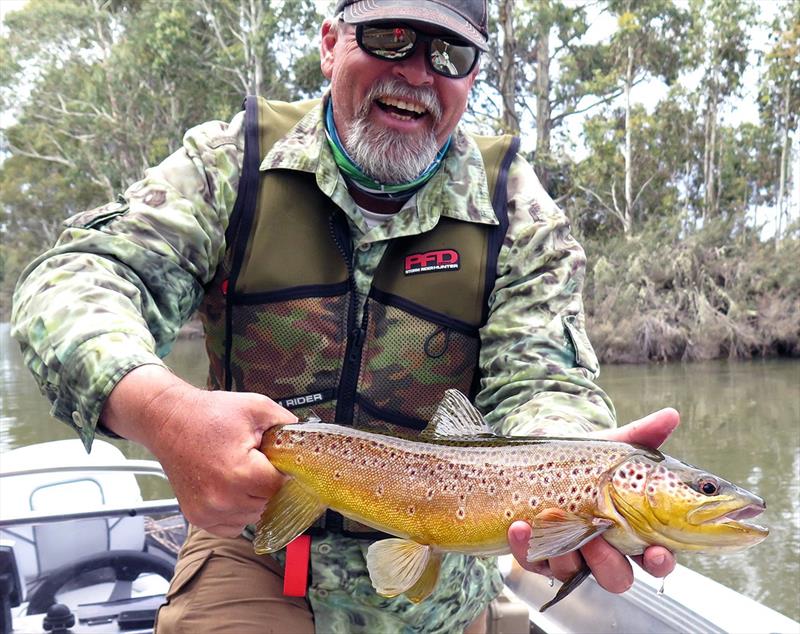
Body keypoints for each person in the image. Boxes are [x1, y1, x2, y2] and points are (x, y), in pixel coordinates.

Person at [11, 0, 677, 632]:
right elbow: (76, 281)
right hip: (256, 554)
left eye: (449, 54)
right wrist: (159, 410)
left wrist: (569, 486)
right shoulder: (230, 165)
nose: (416, 73)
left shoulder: (518, 213)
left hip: (439, 589)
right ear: (331, 44)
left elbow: (542, 383)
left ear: (472, 77)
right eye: (390, 37)